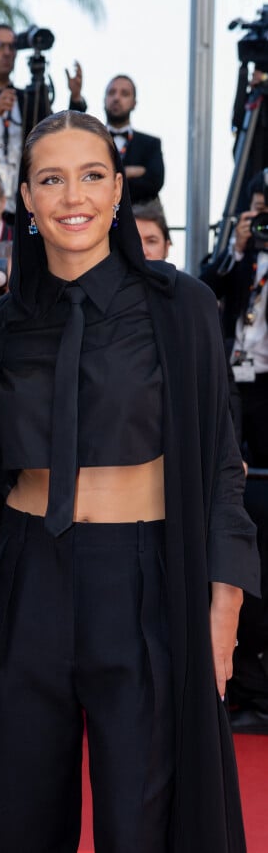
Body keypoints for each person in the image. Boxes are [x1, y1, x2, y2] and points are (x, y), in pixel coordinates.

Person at [0, 110, 259, 852]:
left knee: (142, 824)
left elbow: (223, 462)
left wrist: (223, 607)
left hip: (144, 583)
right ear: (24, 199)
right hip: (25, 578)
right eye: (51, 179)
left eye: (92, 175)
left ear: (118, 190)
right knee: (20, 816)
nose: (73, 196)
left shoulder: (180, 306)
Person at [201, 169, 268, 734]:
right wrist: (241, 245)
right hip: (238, 403)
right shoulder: (242, 264)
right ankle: (247, 683)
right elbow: (205, 287)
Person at [0, 23, 86, 218]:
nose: (6, 52)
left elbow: (56, 138)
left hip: (22, 206)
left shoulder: (29, 98)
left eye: (11, 47)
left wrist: (76, 99)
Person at [104, 74, 165, 204]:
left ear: (134, 103)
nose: (116, 98)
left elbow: (154, 184)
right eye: (111, 93)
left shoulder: (150, 144)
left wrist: (105, 179)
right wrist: (129, 172)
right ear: (104, 99)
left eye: (124, 94)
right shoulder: (92, 141)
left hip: (138, 218)